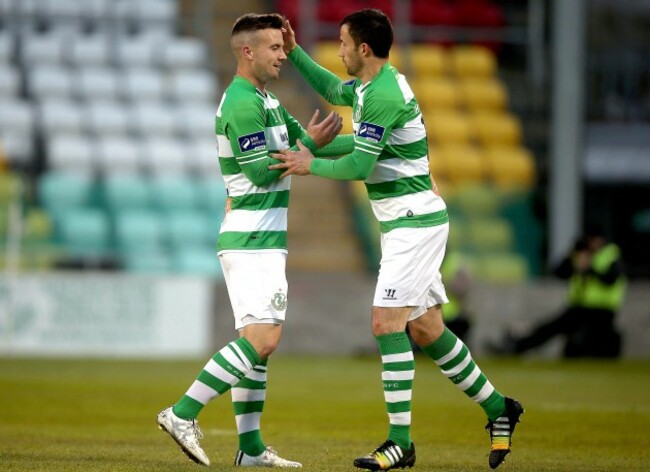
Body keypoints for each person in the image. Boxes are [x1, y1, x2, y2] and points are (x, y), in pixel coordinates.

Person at [270, 9, 523, 471]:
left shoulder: (382, 94)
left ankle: (400, 443)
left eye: (344, 43)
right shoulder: (373, 87)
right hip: (407, 221)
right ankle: (498, 408)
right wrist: (294, 51)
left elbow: (360, 166)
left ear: (363, 49)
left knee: (387, 324)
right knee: (427, 330)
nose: (340, 50)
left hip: (413, 223)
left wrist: (311, 162)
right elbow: (333, 93)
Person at [156, 13, 345, 468]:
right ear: (248, 52)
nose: (283, 55)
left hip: (264, 238)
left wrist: (381, 146)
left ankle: (251, 449)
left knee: (255, 348)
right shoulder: (242, 103)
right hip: (250, 238)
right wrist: (310, 150)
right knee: (263, 339)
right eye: (275, 48)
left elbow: (308, 144)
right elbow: (260, 171)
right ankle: (182, 413)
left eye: (283, 48)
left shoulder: (268, 101)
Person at [488, 225, 626, 358]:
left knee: (586, 341)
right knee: (549, 328)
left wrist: (589, 268)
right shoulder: (581, 253)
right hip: (580, 307)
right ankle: (516, 347)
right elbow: (559, 272)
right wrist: (572, 257)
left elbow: (610, 279)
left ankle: (518, 347)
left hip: (602, 311)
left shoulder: (610, 253)